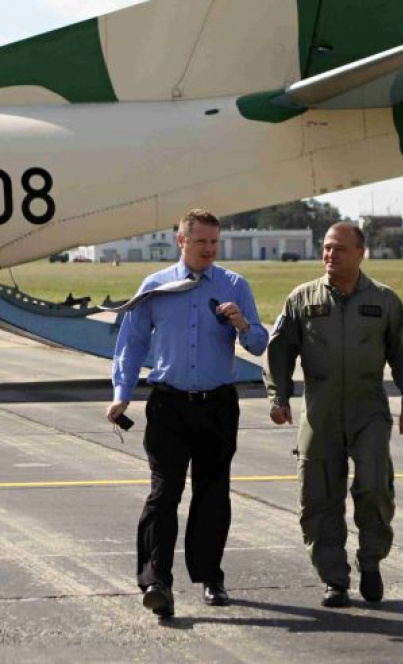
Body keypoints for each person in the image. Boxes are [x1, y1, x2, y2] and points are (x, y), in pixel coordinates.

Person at [106, 209, 268, 618]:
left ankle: (211, 576)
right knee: (164, 494)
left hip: (217, 405)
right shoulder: (156, 286)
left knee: (212, 493)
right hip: (170, 405)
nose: (209, 250)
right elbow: (132, 342)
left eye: (214, 242)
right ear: (181, 241)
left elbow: (259, 343)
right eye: (201, 242)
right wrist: (122, 393)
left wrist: (242, 324)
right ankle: (156, 582)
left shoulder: (234, 285)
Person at [264, 222, 403, 608]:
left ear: (360, 253)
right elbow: (280, 350)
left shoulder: (384, 301)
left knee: (374, 487)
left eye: (338, 248)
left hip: (368, 411)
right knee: (318, 496)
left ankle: (371, 561)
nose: (329, 255)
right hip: (319, 413)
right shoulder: (302, 299)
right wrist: (278, 396)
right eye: (326, 247)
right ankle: (334, 578)